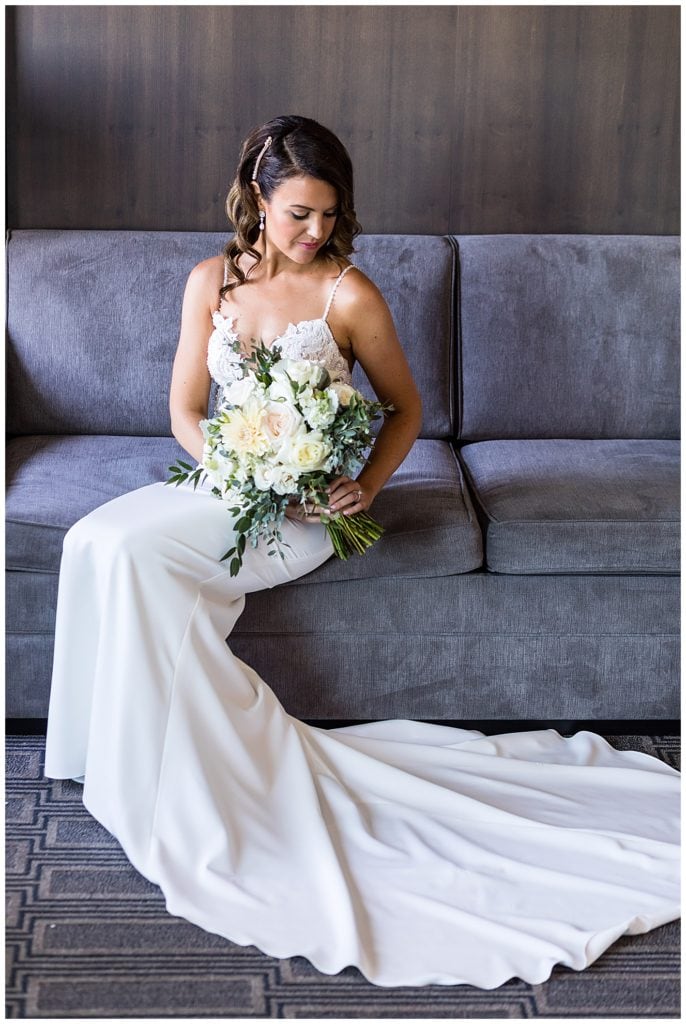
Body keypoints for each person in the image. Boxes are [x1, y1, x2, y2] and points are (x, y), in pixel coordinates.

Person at [44, 115, 679, 989]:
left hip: (301, 514)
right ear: (257, 199)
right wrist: (235, 462)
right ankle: (98, 753)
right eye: (298, 213)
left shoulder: (349, 294)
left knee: (139, 562)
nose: (314, 233)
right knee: (93, 539)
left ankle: (195, 779)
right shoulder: (210, 282)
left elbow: (405, 412)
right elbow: (185, 410)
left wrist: (363, 488)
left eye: (328, 215)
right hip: (224, 486)